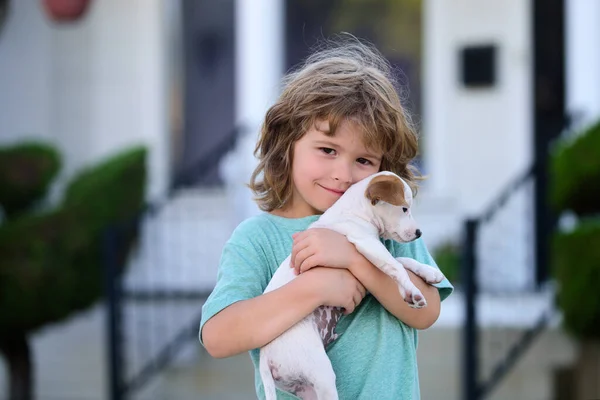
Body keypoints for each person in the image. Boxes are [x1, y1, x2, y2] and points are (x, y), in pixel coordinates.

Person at [199, 36, 454, 399]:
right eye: (327, 150)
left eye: (364, 160)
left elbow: (426, 312)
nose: (344, 174)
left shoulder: (389, 228)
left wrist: (354, 258)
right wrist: (314, 287)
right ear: (287, 146)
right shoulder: (259, 237)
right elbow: (218, 336)